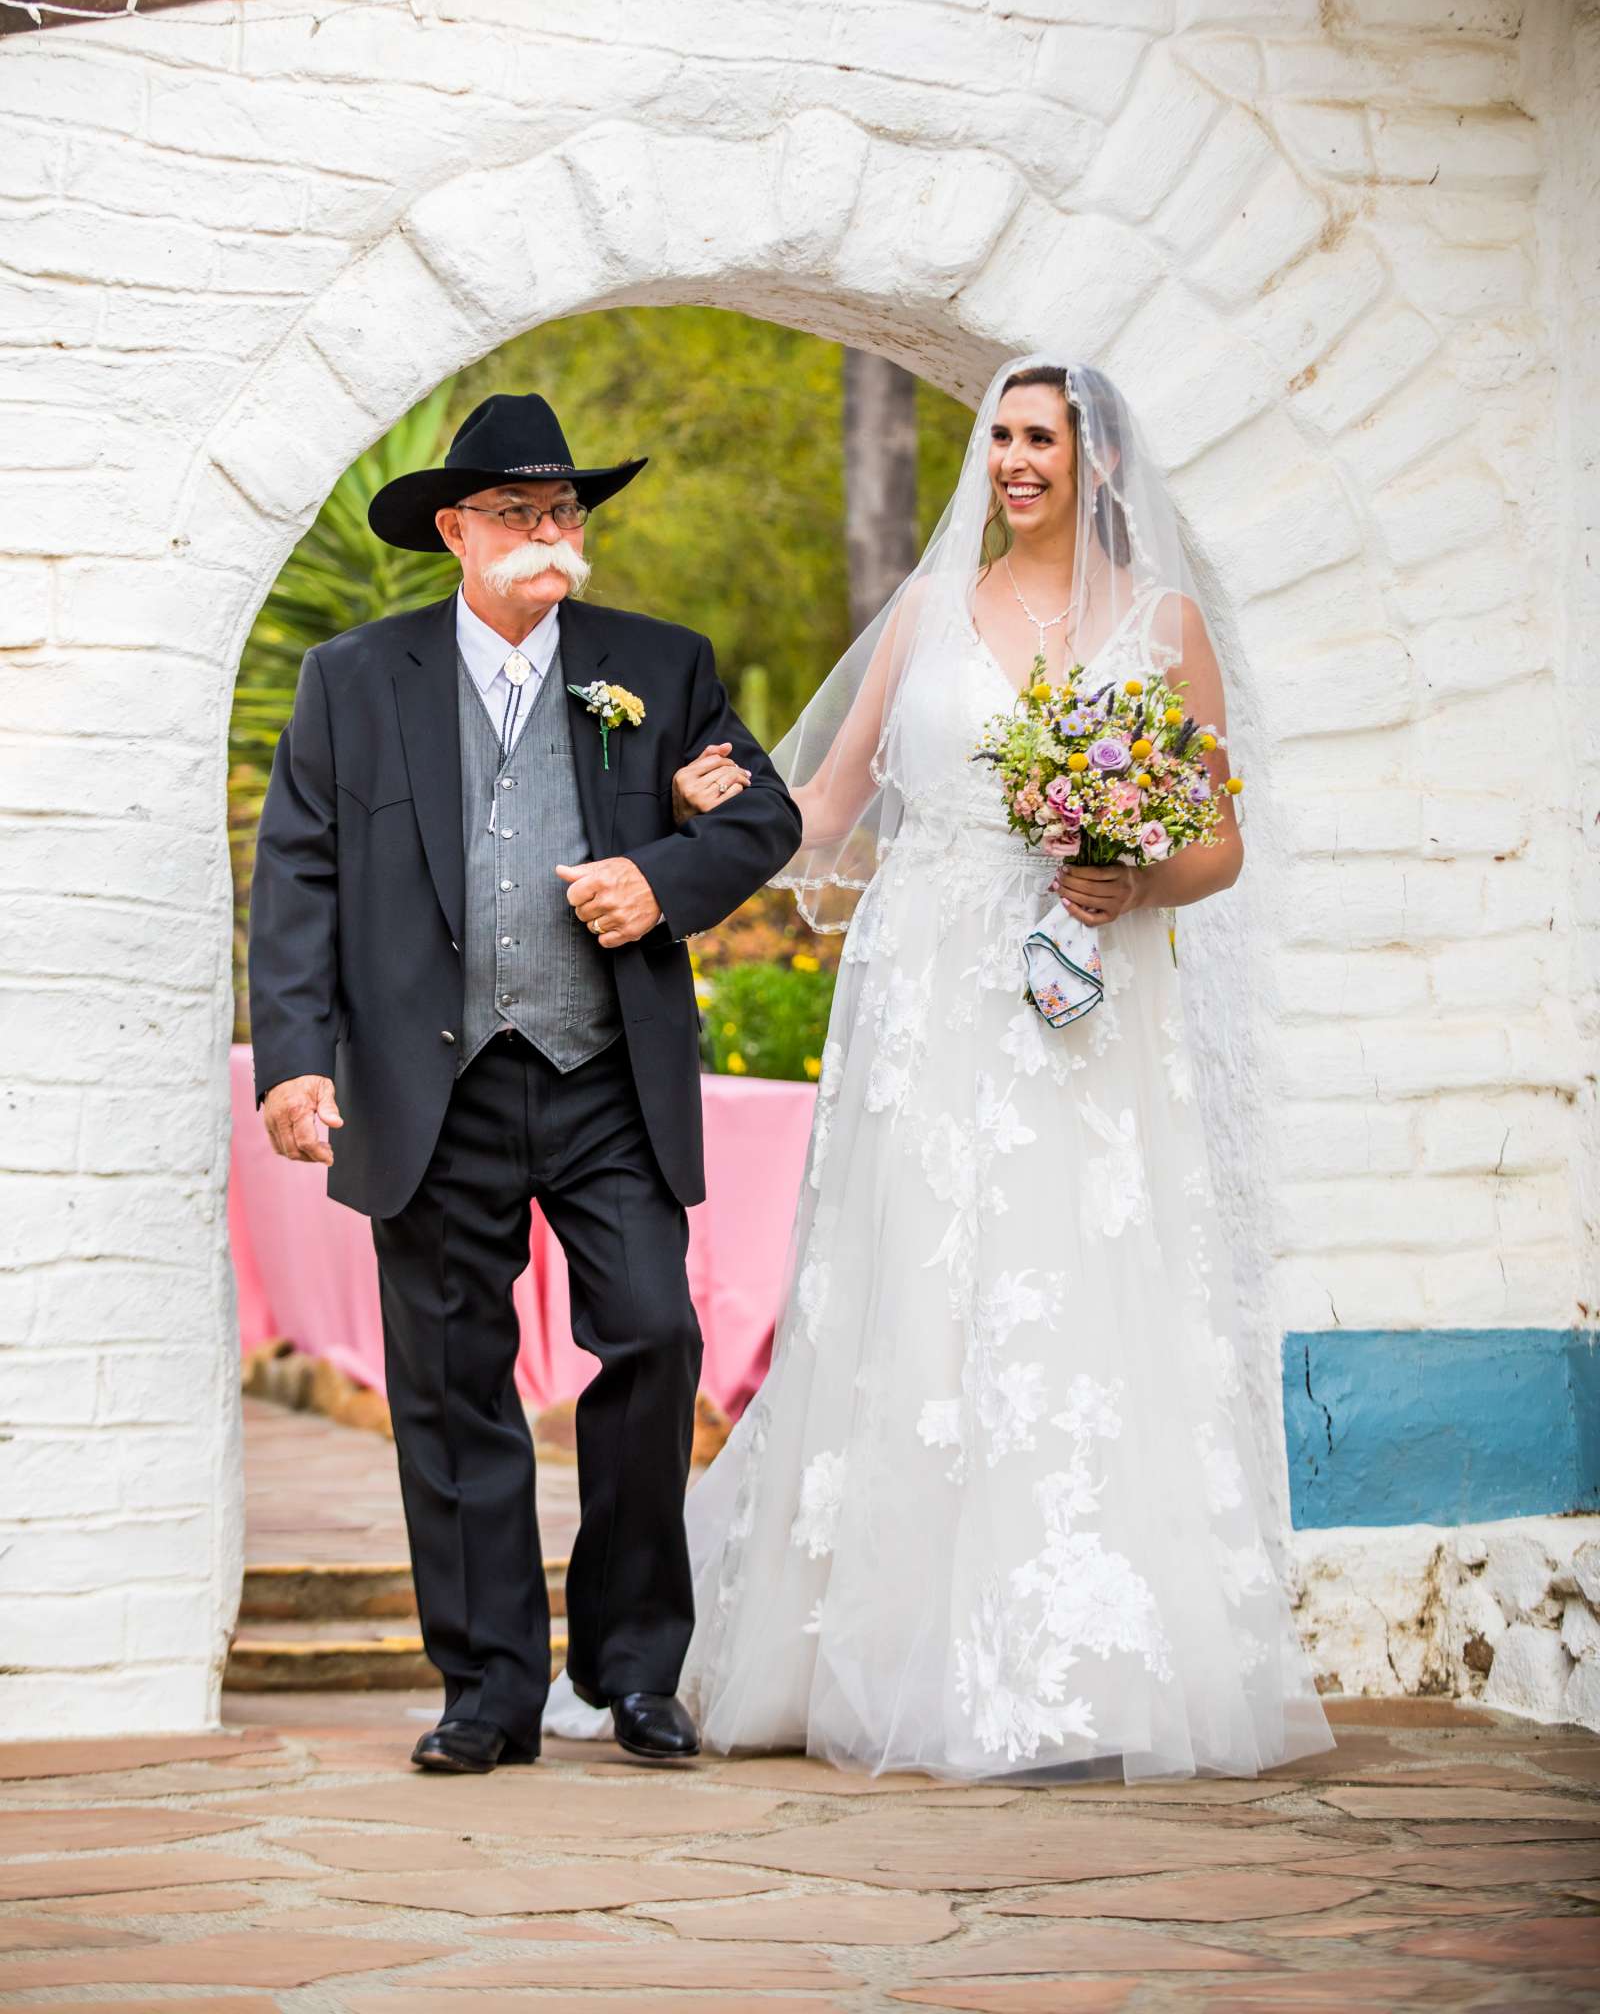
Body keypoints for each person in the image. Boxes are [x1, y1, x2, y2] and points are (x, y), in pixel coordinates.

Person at [648, 356, 1333, 1780]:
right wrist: (692, 790)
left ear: (1098, 462)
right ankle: (876, 1650)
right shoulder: (926, 613)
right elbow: (827, 808)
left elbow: (1219, 845)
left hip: (1083, 994)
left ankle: (1077, 1668)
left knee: (1066, 1280)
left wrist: (1130, 884)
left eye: (1045, 438)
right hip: (926, 988)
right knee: (919, 1286)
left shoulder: (1162, 626)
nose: (1017, 459)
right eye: (1003, 436)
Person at [248, 391, 800, 1775]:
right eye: (520, 511)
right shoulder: (353, 679)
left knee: (654, 1340)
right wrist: (298, 1060)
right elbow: (301, 876)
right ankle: (488, 1685)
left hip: (605, 1072)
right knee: (450, 1383)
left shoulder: (656, 668)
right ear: (456, 529)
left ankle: (630, 1665)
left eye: (567, 512)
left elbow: (763, 817)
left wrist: (661, 882)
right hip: (433, 1083)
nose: (551, 532)